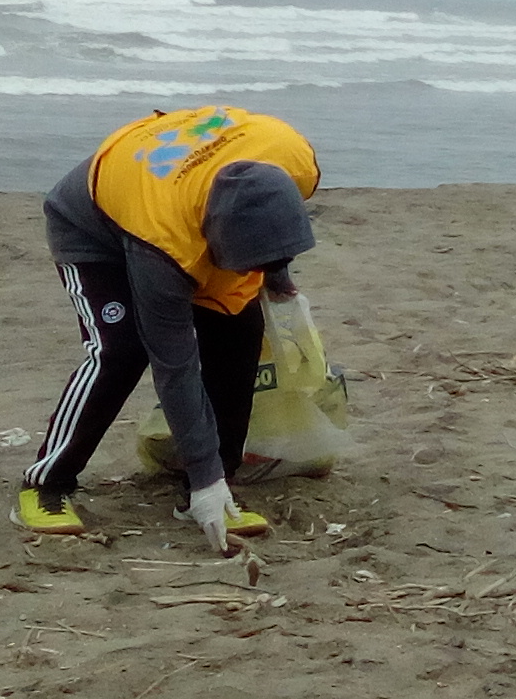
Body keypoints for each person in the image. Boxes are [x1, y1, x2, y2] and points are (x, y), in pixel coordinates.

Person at [20, 104, 320, 547]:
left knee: (239, 332)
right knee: (121, 350)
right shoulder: (164, 245)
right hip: (93, 229)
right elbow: (175, 365)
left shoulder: (295, 160)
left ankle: (212, 485)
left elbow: (273, 221)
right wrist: (205, 477)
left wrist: (276, 273)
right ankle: (46, 483)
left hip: (183, 208)